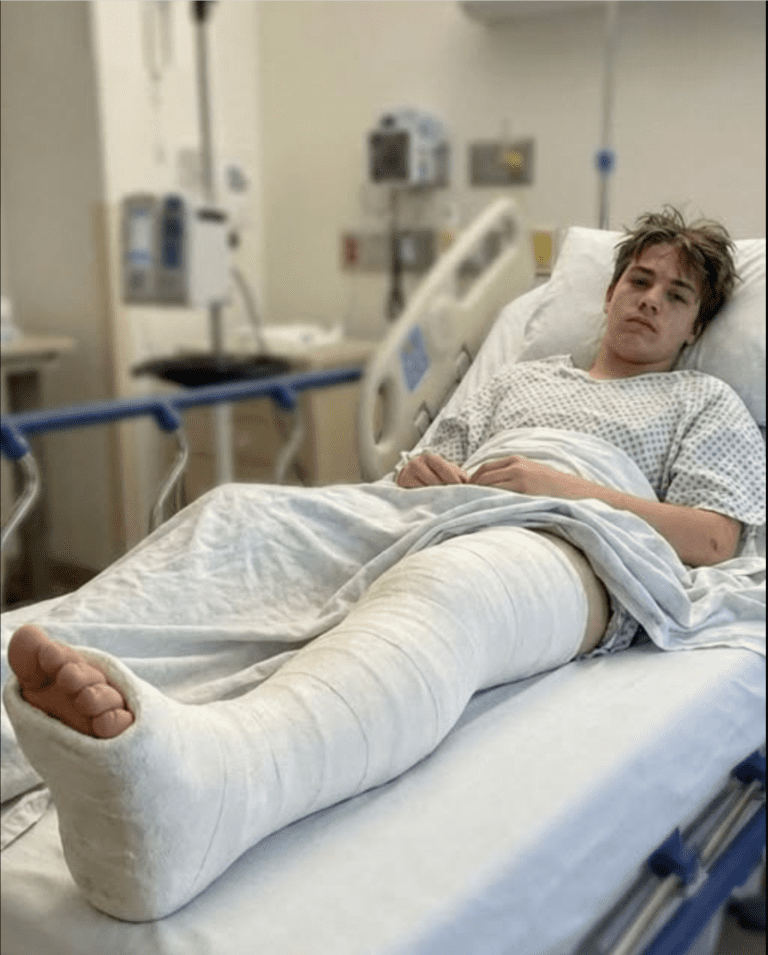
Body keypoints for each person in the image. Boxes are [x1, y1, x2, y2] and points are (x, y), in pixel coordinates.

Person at [4, 207, 764, 922]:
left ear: (695, 326)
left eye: (677, 295)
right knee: (234, 515)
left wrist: (561, 489)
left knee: (453, 587)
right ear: (610, 291)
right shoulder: (519, 380)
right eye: (639, 280)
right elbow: (420, 468)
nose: (650, 300)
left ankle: (214, 788)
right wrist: (421, 474)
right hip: (436, 511)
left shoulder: (702, 400)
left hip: (572, 541)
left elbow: (714, 539)